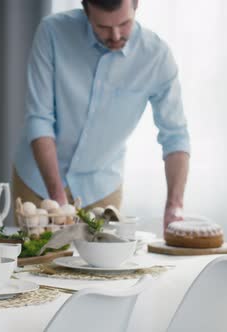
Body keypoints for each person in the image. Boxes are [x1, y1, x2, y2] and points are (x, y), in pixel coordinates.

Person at [13, 0, 190, 229]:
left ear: (136, 4)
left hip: (101, 189)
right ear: (86, 10)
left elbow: (175, 136)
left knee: (103, 263)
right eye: (103, 27)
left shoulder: (156, 56)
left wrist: (174, 205)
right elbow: (39, 119)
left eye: (124, 23)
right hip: (38, 184)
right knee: (35, 262)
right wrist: (58, 201)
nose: (116, 35)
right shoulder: (53, 33)